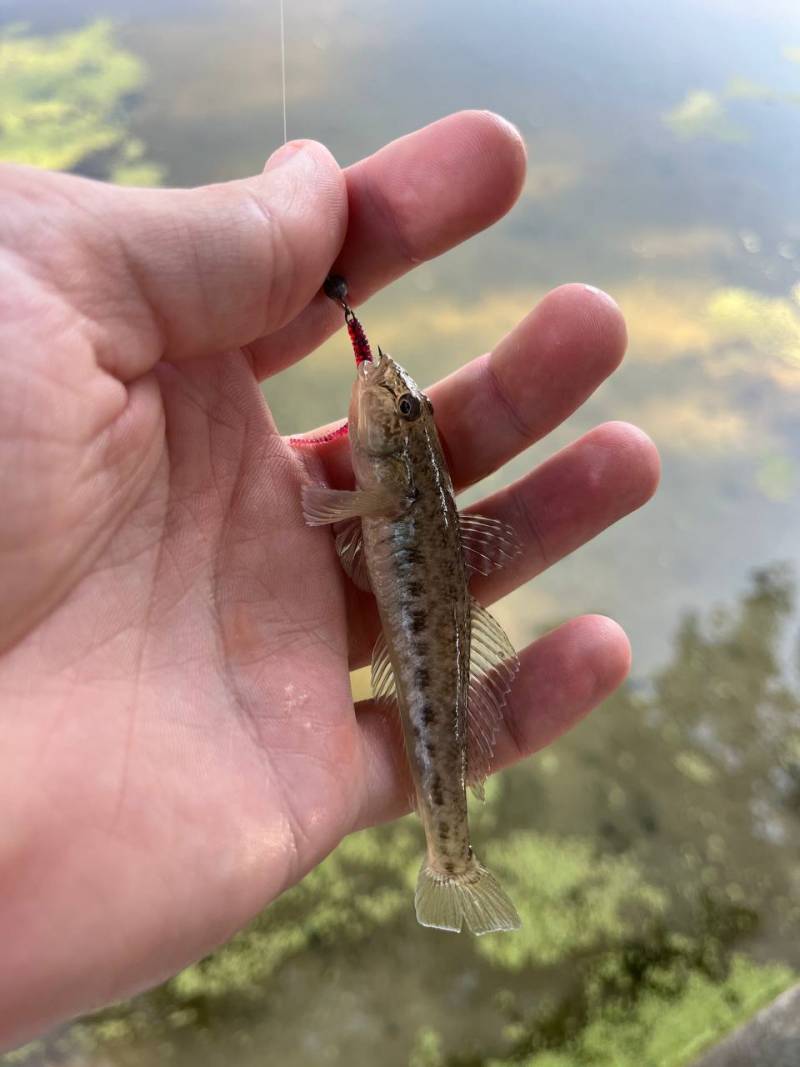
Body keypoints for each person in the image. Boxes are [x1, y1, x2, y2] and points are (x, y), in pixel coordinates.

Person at [0, 110, 659, 1047]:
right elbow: (353, 509)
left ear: (395, 451)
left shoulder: (380, 486)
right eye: (399, 405)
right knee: (445, 704)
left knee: (441, 707)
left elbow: (350, 508)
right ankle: (451, 850)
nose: (382, 394)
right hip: (409, 602)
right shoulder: (386, 480)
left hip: (415, 623)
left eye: (399, 409)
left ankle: (451, 853)